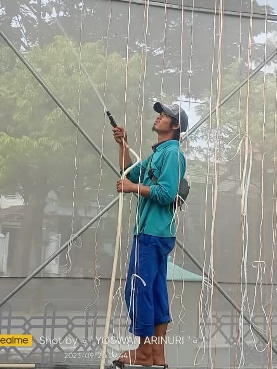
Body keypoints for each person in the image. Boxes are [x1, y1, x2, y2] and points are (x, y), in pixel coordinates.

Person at [112, 102, 188, 367]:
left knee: (138, 289)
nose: (159, 116)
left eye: (165, 115)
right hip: (156, 234)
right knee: (155, 292)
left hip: (151, 233)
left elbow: (167, 193)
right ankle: (156, 354)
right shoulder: (159, 154)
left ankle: (144, 352)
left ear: (175, 126)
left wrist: (133, 188)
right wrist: (123, 143)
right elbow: (128, 172)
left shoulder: (173, 154)